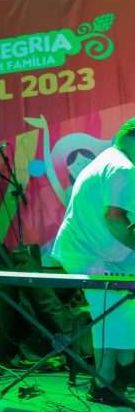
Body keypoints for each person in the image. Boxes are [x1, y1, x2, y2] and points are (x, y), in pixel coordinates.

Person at [51, 118, 135, 406]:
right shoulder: (123, 168)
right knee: (116, 311)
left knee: (114, 312)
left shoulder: (109, 159)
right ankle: (106, 382)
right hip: (91, 256)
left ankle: (115, 378)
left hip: (89, 252)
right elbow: (114, 219)